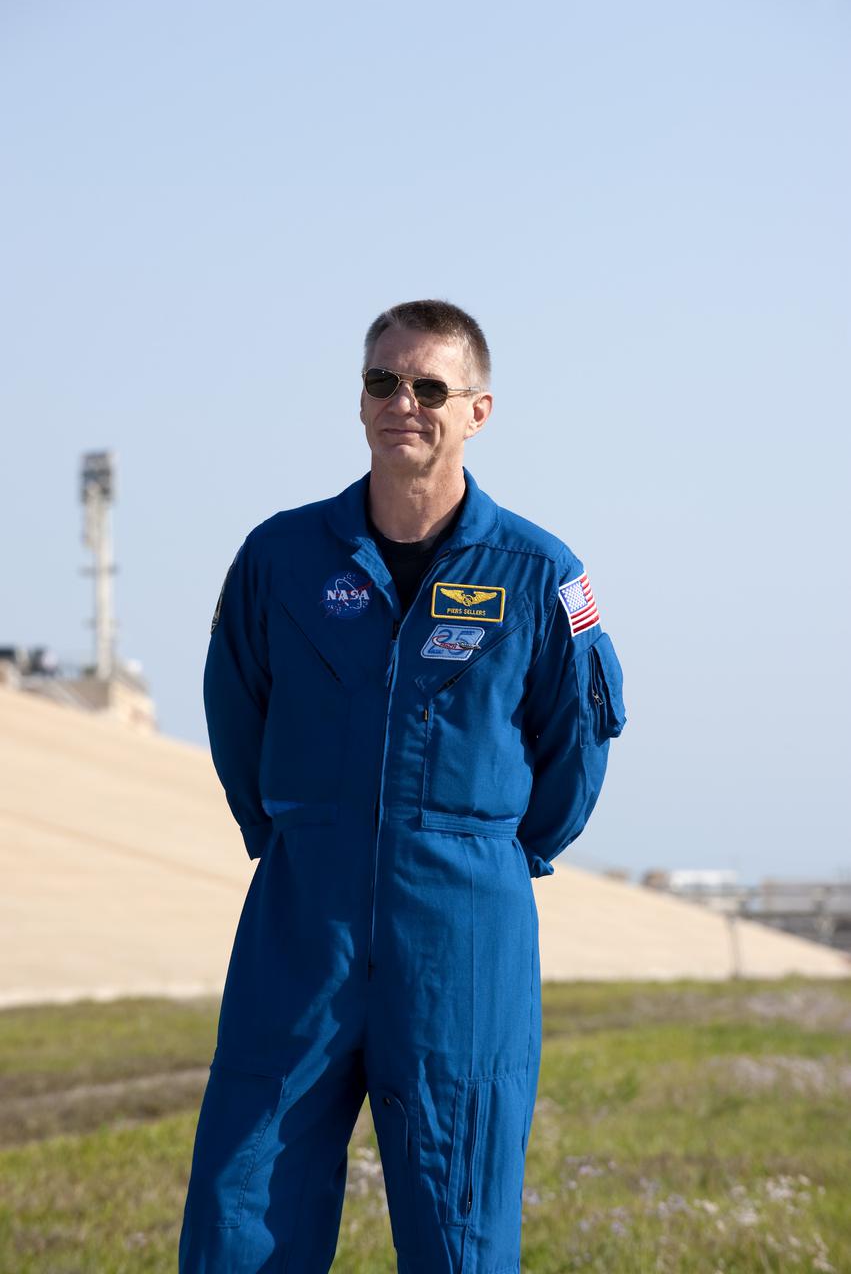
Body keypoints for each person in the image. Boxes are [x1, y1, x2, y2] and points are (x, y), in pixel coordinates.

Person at [179, 299, 626, 1273]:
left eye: (429, 386)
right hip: (302, 920)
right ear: (360, 399)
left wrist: (489, 852)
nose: (403, 403)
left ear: (477, 411)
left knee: (460, 1218)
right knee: (240, 1202)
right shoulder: (280, 558)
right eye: (382, 381)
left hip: (462, 933)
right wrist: (296, 837)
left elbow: (578, 743)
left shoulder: (538, 573)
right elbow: (234, 711)